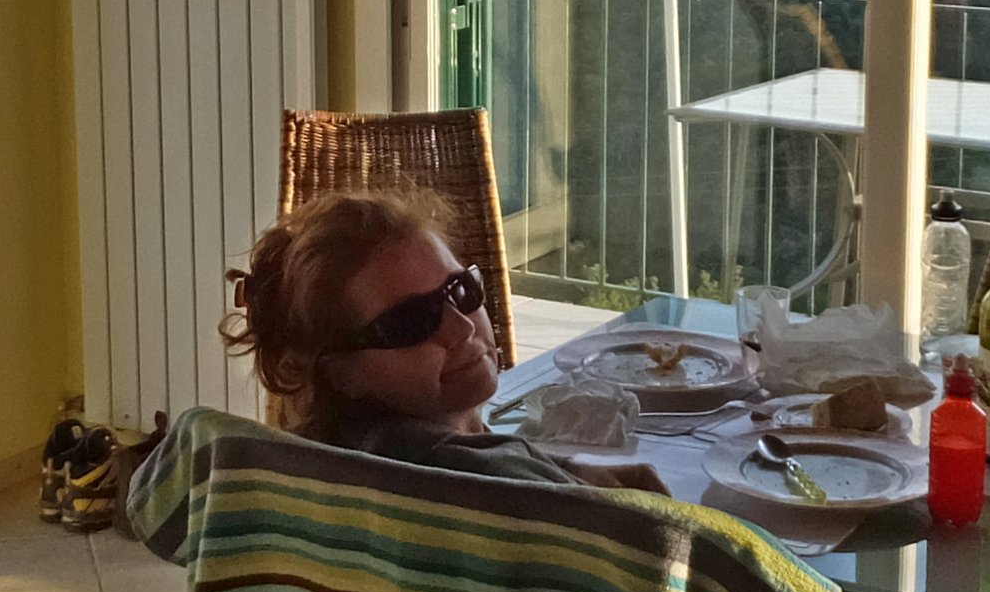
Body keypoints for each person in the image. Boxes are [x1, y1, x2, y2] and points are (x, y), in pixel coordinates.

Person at [221, 188, 661, 492]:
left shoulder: (356, 461)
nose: (462, 328)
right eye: (412, 321)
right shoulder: (497, 489)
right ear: (341, 374)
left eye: (461, 290)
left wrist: (565, 472)